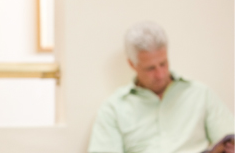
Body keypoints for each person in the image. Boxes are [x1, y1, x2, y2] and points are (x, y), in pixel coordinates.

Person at [88, 21, 234, 153]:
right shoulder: (113, 109)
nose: (160, 74)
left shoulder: (200, 94)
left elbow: (230, 141)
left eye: (163, 63)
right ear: (132, 64)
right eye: (150, 68)